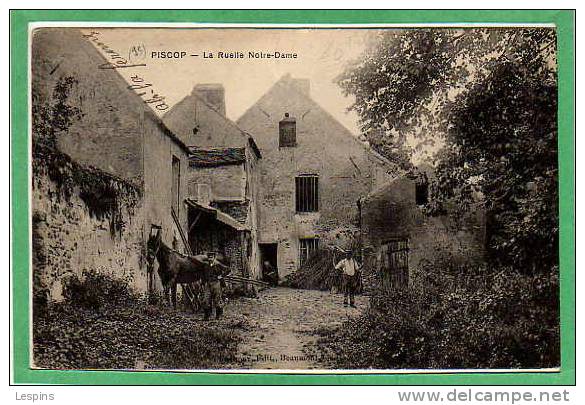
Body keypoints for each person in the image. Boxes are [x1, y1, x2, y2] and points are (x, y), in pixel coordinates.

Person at [202, 252, 230, 320]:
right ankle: (206, 316)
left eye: (211, 257)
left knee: (217, 299)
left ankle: (218, 316)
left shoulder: (218, 264)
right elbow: (203, 274)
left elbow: (228, 269)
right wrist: (204, 282)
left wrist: (221, 276)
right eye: (209, 257)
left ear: (214, 258)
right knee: (206, 300)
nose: (210, 259)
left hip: (216, 283)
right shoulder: (206, 265)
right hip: (208, 284)